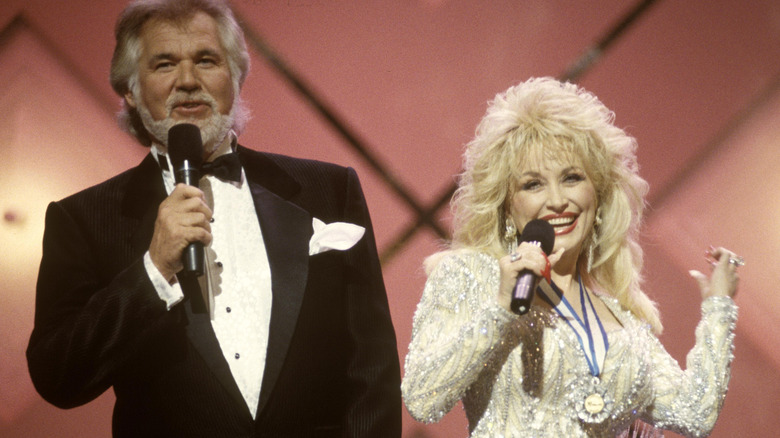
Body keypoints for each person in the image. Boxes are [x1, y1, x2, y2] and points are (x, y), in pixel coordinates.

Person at [26, 0, 401, 436]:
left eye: (206, 60)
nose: (188, 81)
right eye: (164, 64)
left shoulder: (328, 190)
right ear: (129, 89)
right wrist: (152, 271)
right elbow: (58, 376)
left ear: (236, 77)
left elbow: (370, 368)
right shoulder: (85, 220)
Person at [401, 77, 740, 437]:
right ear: (507, 208)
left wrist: (719, 305)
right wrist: (501, 308)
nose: (558, 200)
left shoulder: (621, 319)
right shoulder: (472, 276)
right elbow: (422, 399)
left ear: (598, 198)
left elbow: (694, 412)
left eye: (572, 178)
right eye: (533, 184)